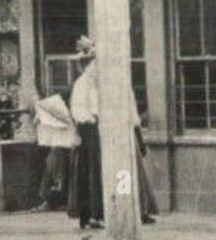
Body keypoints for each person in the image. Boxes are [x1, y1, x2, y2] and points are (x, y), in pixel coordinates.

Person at [67, 35, 158, 229]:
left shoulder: (118, 82)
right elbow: (78, 109)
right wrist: (92, 120)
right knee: (96, 173)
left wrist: (134, 127)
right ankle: (95, 213)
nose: (95, 68)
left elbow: (130, 106)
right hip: (94, 133)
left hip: (121, 131)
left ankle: (133, 210)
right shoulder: (83, 84)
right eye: (91, 64)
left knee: (124, 170)